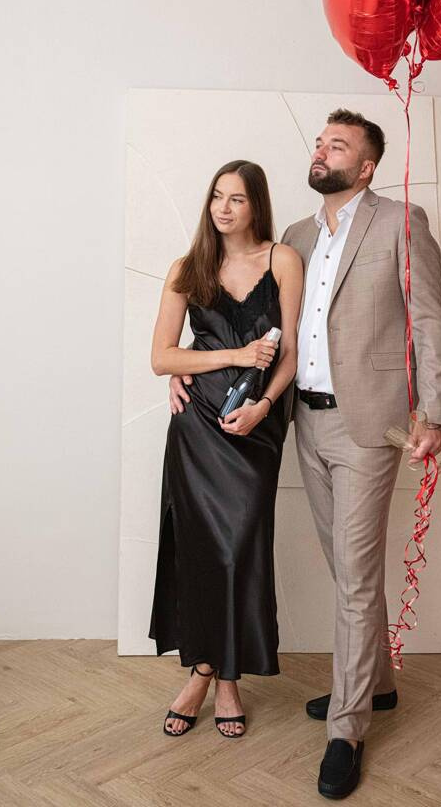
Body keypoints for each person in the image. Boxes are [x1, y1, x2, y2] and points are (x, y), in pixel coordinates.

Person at [170, 108, 441, 797]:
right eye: (321, 141)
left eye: (339, 145)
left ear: (366, 167)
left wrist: (435, 413)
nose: (322, 150)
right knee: (346, 567)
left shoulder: (401, 222)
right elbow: (257, 331)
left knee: (354, 578)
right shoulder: (293, 238)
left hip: (370, 425)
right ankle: (376, 685)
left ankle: (346, 731)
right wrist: (185, 371)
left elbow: (428, 319)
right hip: (302, 423)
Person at [149, 159, 303, 739]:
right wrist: (233, 356)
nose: (224, 208)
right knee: (202, 553)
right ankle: (210, 676)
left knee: (241, 550)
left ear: (256, 204)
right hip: (196, 427)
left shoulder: (282, 260)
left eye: (237, 198)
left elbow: (291, 352)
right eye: (217, 196)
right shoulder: (187, 268)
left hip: (256, 427)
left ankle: (223, 674)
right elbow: (162, 357)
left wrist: (265, 405)